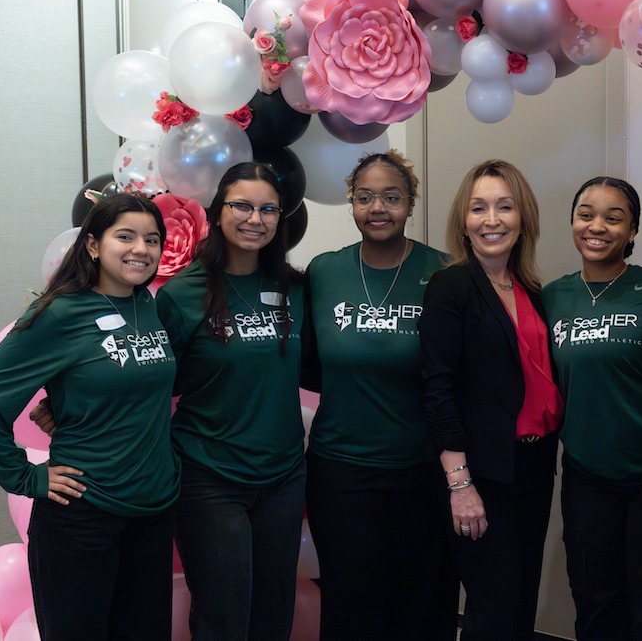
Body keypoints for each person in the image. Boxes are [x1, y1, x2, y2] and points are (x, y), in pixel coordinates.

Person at [0, 194, 180, 640]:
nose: (141, 248)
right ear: (93, 245)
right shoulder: (60, 312)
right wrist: (25, 478)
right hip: (84, 515)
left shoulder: (149, 307)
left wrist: (72, 407)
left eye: (152, 238)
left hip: (152, 511)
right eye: (125, 236)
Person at [303, 150, 458, 641]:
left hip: (422, 469)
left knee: (423, 603)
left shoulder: (445, 272)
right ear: (351, 203)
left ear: (411, 204)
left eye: (392, 197)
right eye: (365, 197)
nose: (378, 208)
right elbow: (307, 363)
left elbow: (459, 375)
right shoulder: (323, 272)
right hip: (341, 470)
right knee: (351, 604)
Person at [156, 162, 311, 640]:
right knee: (223, 614)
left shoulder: (296, 289)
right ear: (218, 212)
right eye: (242, 205)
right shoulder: (181, 295)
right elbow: (148, 381)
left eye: (268, 209)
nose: (255, 219)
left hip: (283, 475)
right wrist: (69, 403)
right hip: (210, 476)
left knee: (273, 611)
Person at [419, 159, 563, 641]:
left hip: (534, 466)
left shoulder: (531, 291)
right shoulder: (452, 285)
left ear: (523, 219)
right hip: (480, 474)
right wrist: (460, 485)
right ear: (464, 220)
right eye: (478, 208)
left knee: (521, 603)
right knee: (494, 609)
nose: (492, 220)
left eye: (505, 207)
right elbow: (437, 386)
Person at [541, 176, 642, 640]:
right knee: (595, 605)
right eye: (586, 215)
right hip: (585, 477)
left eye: (613, 218)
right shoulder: (553, 297)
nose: (596, 226)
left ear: (632, 230)